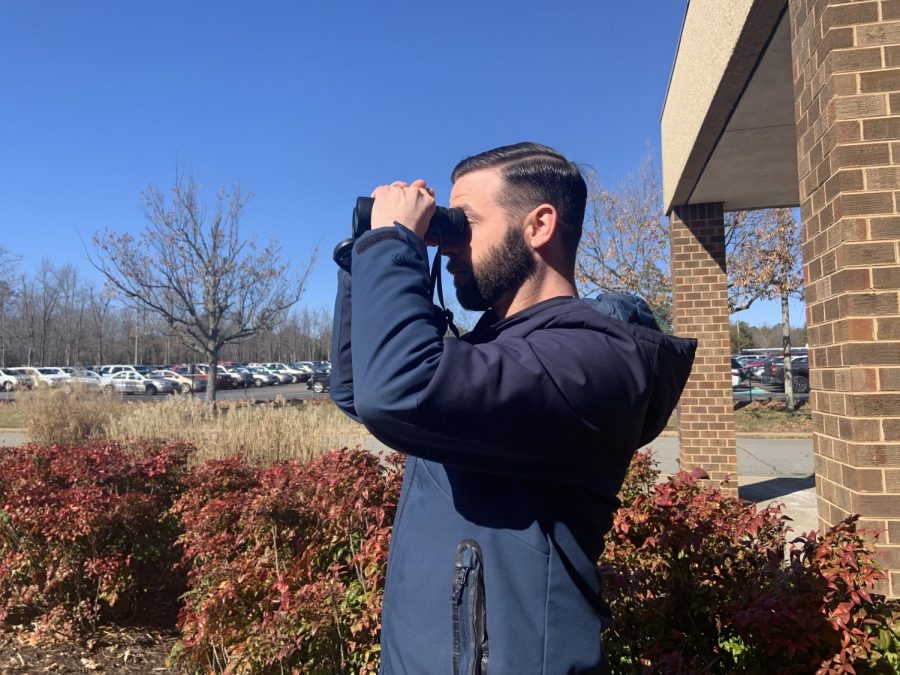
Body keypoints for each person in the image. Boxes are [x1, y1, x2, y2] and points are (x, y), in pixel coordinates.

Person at [331, 142, 696, 674]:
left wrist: (397, 243)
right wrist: (364, 257)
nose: (450, 243)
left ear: (539, 225)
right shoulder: (496, 349)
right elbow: (359, 389)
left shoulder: (589, 360)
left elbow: (398, 391)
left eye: (466, 222)